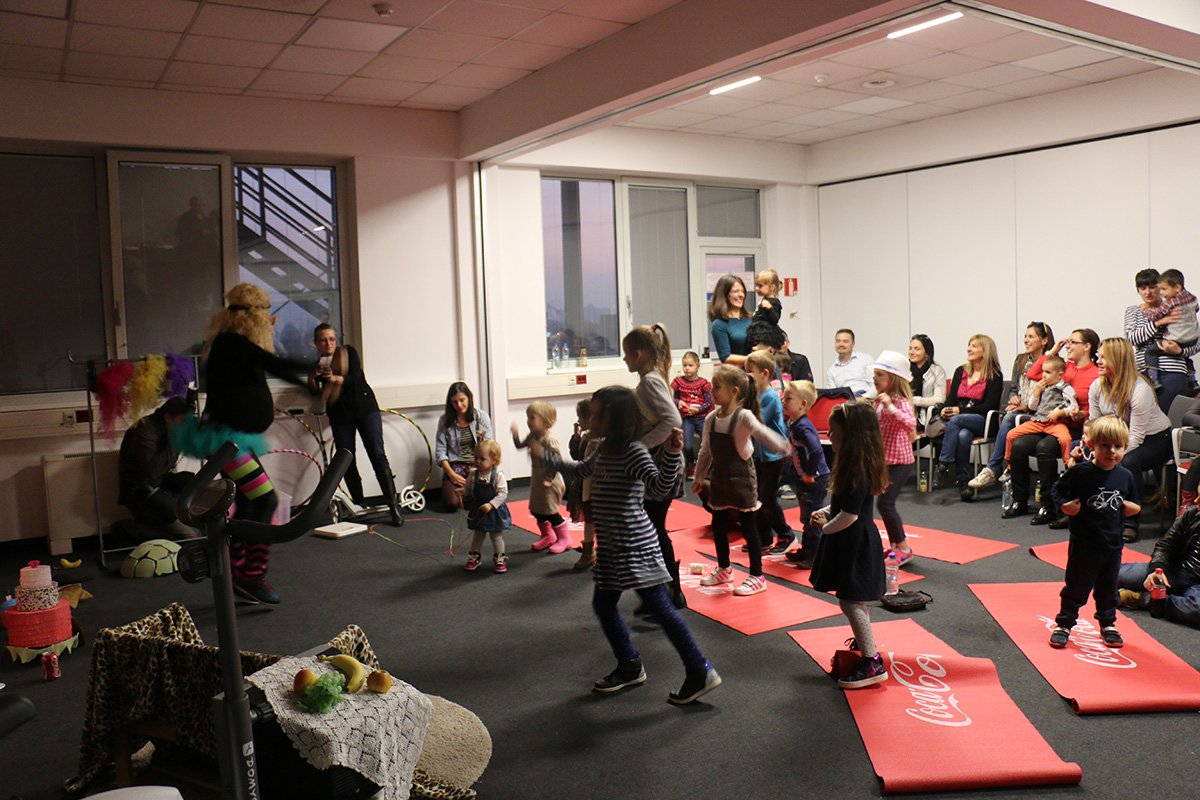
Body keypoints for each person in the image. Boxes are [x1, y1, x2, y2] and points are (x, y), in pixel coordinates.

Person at [538, 386, 720, 705]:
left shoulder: (633, 451)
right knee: (604, 606)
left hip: (635, 545)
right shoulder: (604, 448)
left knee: (660, 607)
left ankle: (698, 669)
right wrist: (546, 456)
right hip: (612, 548)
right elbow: (581, 470)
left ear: (613, 417)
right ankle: (630, 665)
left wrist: (673, 454)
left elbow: (660, 487)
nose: (591, 417)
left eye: (596, 412)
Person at [174, 283, 315, 604]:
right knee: (264, 500)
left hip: (232, 439)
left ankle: (237, 571)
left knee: (251, 503)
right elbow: (277, 365)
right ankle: (249, 575)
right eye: (266, 314)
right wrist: (312, 370)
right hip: (226, 440)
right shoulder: (233, 344)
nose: (270, 321)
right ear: (254, 316)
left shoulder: (232, 345)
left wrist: (306, 386)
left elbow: (263, 372)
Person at [810, 401, 889, 689]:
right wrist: (825, 513)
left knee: (851, 600)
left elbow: (850, 515)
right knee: (851, 599)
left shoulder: (857, 469)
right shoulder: (852, 464)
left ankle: (871, 660)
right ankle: (865, 646)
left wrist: (825, 527)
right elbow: (843, 506)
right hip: (850, 539)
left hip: (855, 542)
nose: (829, 434)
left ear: (850, 434)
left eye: (833, 430)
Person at [692, 366, 788, 596]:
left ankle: (757, 576)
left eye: (717, 387)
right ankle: (724, 569)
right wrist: (699, 476)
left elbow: (762, 433)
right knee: (718, 524)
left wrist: (782, 446)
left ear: (734, 391)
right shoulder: (711, 418)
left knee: (749, 527)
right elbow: (705, 451)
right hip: (720, 478)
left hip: (742, 478)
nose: (712, 391)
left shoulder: (743, 416)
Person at [1047, 416, 1140, 649]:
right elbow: (1057, 490)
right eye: (1105, 446)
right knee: (1076, 586)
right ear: (1092, 445)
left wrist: (1132, 509)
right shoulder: (1080, 473)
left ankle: (1108, 623)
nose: (1112, 452)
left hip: (1113, 544)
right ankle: (1064, 623)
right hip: (1084, 543)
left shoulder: (1125, 476)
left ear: (1125, 447)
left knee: (1108, 588)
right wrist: (1064, 506)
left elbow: (1135, 503)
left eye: (1118, 446)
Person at [1003, 329, 1100, 525]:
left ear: (1087, 346)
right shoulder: (1065, 366)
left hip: (1075, 426)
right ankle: (1019, 500)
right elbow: (1033, 373)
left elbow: (1096, 408)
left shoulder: (1096, 373)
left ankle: (1048, 505)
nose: (1068, 346)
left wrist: (1080, 414)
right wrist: (1053, 351)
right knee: (1019, 445)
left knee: (1044, 448)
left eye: (1073, 342)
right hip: (1047, 421)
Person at [308, 323, 401, 527]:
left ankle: (393, 506)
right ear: (316, 343)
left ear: (336, 340)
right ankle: (359, 504)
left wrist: (335, 378)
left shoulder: (348, 352)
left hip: (364, 408)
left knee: (377, 454)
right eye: (323, 340)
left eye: (331, 339)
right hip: (340, 414)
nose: (328, 343)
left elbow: (356, 377)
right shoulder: (317, 365)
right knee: (346, 459)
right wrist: (314, 377)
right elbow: (315, 393)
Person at [623, 323, 687, 608]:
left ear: (638, 353)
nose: (624, 359)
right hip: (659, 462)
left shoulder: (650, 381)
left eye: (626, 354)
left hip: (662, 464)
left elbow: (673, 420)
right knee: (653, 527)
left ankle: (671, 591)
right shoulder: (653, 377)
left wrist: (641, 444)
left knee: (654, 529)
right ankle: (666, 590)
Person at [1086, 337, 1172, 542]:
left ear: (1118, 360)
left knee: (1128, 462)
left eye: (1104, 357)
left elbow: (1136, 436)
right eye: (1098, 356)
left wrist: (1110, 455)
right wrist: (1091, 447)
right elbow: (1094, 424)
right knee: (1084, 454)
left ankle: (1130, 523)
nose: (1098, 361)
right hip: (1119, 439)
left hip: (1156, 438)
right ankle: (1086, 513)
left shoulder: (1140, 389)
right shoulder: (1097, 386)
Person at [969, 322, 1054, 489]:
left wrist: (1025, 406)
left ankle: (993, 468)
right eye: (1025, 336)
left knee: (1008, 418)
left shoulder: (1051, 363)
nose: (1026, 340)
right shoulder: (1020, 360)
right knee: (1008, 415)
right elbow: (1014, 388)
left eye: (1031, 336)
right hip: (1020, 411)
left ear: (1044, 341)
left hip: (1038, 413)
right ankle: (1006, 467)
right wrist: (1013, 397)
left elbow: (1051, 396)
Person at [1124, 267, 1200, 413]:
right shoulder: (1133, 311)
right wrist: (1158, 323)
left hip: (1174, 371)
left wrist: (1180, 351)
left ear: (1161, 287)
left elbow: (1195, 341)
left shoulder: (1178, 306)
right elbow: (1132, 339)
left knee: (1170, 418)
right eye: (1143, 288)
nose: (1148, 292)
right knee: (1143, 419)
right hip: (1143, 372)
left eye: (1153, 287)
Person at [117, 397, 193, 540]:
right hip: (141, 493)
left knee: (190, 481)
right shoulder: (143, 431)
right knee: (191, 535)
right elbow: (152, 472)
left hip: (158, 485)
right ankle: (135, 530)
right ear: (167, 417)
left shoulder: (164, 427)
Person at [935, 334, 1003, 493]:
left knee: (957, 420)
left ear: (985, 351)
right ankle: (963, 482)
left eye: (974, 346)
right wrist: (945, 408)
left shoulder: (995, 375)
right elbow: (951, 399)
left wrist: (960, 411)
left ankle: (943, 463)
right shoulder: (960, 371)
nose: (969, 349)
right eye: (969, 345)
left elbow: (989, 406)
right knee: (963, 435)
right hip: (960, 419)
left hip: (983, 420)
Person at [1118, 504, 1200, 628]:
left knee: (1196, 610)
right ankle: (1165, 598)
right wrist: (1157, 570)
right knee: (1114, 575)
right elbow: (1165, 545)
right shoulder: (1193, 513)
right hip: (1176, 570)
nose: (1195, 501)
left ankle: (1143, 598)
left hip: (1197, 585)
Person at [745, 350, 794, 554]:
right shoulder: (755, 394)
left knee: (768, 498)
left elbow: (757, 422)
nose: (747, 375)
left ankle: (786, 534)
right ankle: (764, 537)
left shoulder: (770, 397)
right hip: (760, 455)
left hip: (774, 456)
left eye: (750, 371)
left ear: (764, 373)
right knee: (757, 497)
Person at [872, 351, 917, 566]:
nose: (875, 378)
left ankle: (904, 548)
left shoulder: (900, 401)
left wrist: (891, 406)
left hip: (901, 461)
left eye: (880, 375)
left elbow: (910, 423)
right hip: (886, 460)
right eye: (875, 374)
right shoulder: (879, 400)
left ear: (894, 379)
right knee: (883, 504)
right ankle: (895, 546)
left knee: (885, 503)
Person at [511, 401, 570, 554]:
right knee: (537, 509)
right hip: (537, 477)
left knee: (550, 511)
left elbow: (557, 462)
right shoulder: (532, 436)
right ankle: (547, 535)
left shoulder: (549, 440)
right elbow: (520, 445)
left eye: (532, 418)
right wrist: (515, 435)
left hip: (550, 480)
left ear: (545, 420)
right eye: (528, 418)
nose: (528, 421)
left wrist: (549, 479)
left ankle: (564, 538)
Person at [781, 380, 829, 569]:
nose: (783, 401)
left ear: (803, 404)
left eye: (788, 399)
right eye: (784, 398)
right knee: (805, 516)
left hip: (815, 478)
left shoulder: (803, 426)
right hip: (804, 478)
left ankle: (816, 555)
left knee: (813, 517)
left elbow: (816, 450)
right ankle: (807, 549)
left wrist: (809, 473)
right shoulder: (793, 422)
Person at [1002, 355, 1078, 469]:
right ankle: (1009, 462)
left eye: (1048, 372)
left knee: (1065, 439)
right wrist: (1037, 392)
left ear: (1060, 374)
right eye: (1043, 371)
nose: (1043, 375)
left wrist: (1060, 412)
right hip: (1038, 421)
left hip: (1055, 423)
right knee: (1011, 435)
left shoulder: (1066, 388)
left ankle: (1068, 464)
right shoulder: (1042, 387)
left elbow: (1073, 407)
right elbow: (1032, 407)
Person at [435, 382, 494, 512]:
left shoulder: (481, 417)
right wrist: (451, 474)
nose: (459, 405)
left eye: (462, 400)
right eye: (455, 402)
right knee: (451, 504)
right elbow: (440, 451)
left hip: (478, 465)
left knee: (487, 500)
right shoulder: (444, 420)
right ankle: (468, 495)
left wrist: (478, 473)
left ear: (469, 398)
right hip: (455, 467)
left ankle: (470, 494)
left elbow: (489, 447)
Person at [461, 439, 512, 574]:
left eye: (482, 459)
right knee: (478, 535)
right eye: (476, 458)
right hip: (479, 510)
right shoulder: (473, 474)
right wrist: (463, 491)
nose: (477, 461)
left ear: (494, 460)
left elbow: (503, 494)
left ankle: (500, 558)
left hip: (494, 511)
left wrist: (491, 504)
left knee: (496, 536)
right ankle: (474, 557)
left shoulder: (498, 476)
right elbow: (468, 488)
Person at [1143, 269, 1199, 389]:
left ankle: (1154, 379)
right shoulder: (1192, 298)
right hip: (1192, 339)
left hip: (1176, 339)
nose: (1162, 293)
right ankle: (1193, 382)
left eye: (1164, 289)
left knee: (1150, 351)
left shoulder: (1170, 303)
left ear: (1177, 287)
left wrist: (1146, 311)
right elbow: (1197, 308)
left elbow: (1155, 315)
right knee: (1187, 359)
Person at [567, 398, 601, 570]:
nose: (578, 421)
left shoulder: (601, 439)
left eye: (581, 417)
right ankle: (588, 552)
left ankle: (604, 554)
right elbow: (576, 456)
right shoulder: (586, 437)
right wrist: (576, 437)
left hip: (598, 487)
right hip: (584, 485)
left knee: (600, 521)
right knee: (589, 519)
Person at [670, 350, 713, 475]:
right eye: (685, 365)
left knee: (708, 442)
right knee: (687, 446)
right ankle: (691, 464)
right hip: (687, 418)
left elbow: (709, 402)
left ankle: (706, 465)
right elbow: (673, 398)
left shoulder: (703, 384)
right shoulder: (679, 382)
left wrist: (699, 409)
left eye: (690, 365)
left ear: (697, 366)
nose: (687, 368)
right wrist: (678, 402)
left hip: (701, 417)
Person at [708, 274, 753, 367]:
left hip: (759, 372)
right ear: (725, 295)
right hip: (737, 374)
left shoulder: (752, 319)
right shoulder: (719, 324)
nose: (741, 295)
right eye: (736, 291)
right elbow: (726, 358)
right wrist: (756, 360)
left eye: (743, 291)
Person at [908, 334, 946, 427]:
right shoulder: (904, 369)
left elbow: (940, 399)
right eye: (910, 348)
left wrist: (915, 400)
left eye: (916, 349)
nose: (911, 352)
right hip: (905, 414)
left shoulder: (936, 371)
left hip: (926, 418)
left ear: (926, 353)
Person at [826, 328, 875, 399]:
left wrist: (864, 398)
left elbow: (876, 385)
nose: (841, 344)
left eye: (845, 341)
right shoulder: (831, 370)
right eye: (838, 341)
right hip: (844, 400)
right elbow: (833, 394)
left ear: (853, 344)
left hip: (864, 398)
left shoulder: (865, 359)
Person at [746, 268, 786, 353]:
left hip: (764, 333)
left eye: (760, 286)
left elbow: (775, 319)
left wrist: (770, 308)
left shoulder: (774, 302)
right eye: (756, 285)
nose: (756, 288)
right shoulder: (764, 300)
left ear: (771, 287)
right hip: (757, 329)